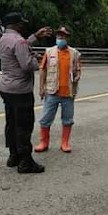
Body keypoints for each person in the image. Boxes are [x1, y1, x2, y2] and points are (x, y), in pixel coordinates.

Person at [0, 12, 53, 173]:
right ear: (15, 24)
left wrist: (35, 36)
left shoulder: (3, 39)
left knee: (12, 123)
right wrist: (37, 58)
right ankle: (25, 162)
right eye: (21, 23)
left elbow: (20, 47)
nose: (23, 25)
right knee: (24, 126)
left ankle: (13, 156)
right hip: (20, 90)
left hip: (6, 88)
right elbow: (27, 65)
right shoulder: (19, 41)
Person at [35, 25, 82, 154]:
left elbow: (78, 69)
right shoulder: (49, 52)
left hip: (68, 92)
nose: (60, 38)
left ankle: (65, 142)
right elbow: (43, 69)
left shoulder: (75, 53)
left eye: (63, 36)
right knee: (45, 119)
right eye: (58, 36)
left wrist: (77, 76)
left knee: (68, 119)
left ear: (67, 38)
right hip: (51, 91)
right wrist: (41, 88)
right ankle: (43, 142)